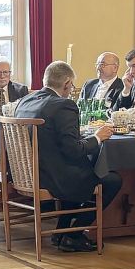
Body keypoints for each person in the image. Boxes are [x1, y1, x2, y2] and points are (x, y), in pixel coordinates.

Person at [14, 61, 122, 253]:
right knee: (112, 179)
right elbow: (73, 150)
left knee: (80, 171)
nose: (71, 90)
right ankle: (72, 233)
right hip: (54, 177)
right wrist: (97, 137)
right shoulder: (64, 105)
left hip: (30, 173)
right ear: (66, 83)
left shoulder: (26, 101)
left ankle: (60, 232)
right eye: (71, 86)